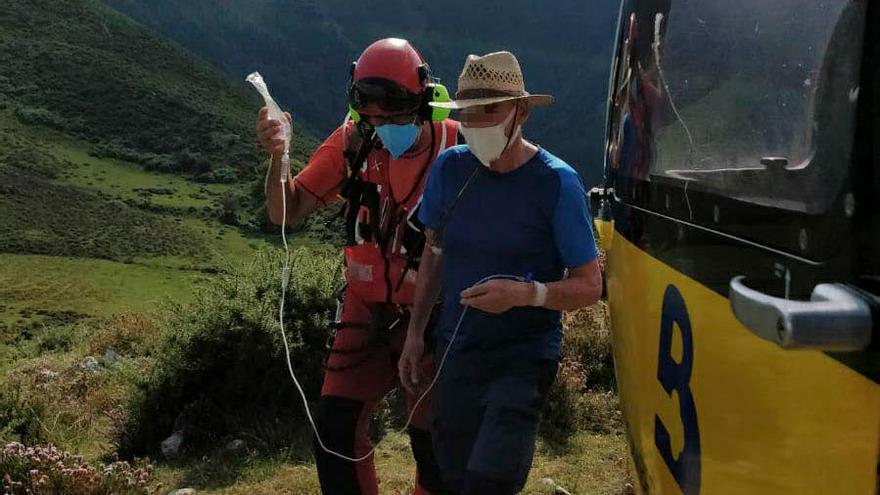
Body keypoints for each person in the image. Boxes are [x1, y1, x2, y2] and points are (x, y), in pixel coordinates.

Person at [257, 38, 458, 495]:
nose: (382, 127)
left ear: (423, 100)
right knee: (334, 429)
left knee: (435, 445)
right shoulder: (352, 143)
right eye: (371, 117)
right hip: (366, 306)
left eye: (395, 117)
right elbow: (284, 211)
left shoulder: (456, 150)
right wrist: (277, 158)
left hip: (436, 313)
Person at [398, 51, 602, 494]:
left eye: (490, 111)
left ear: (521, 111)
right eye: (467, 115)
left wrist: (526, 294)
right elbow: (434, 251)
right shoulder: (450, 168)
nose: (476, 125)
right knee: (452, 476)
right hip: (457, 347)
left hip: (522, 356)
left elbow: (589, 285)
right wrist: (416, 333)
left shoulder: (556, 183)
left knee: (491, 479)